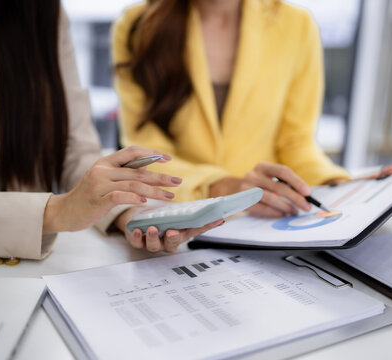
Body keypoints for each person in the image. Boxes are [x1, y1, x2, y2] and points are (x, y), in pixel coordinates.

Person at [0, 0, 221, 260]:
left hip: (19, 271)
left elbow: (76, 152)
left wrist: (130, 211)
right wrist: (54, 212)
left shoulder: (41, 14)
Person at [113, 0, 353, 223]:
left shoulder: (297, 25)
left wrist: (338, 184)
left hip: (265, 219)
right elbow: (146, 154)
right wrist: (220, 185)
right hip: (183, 217)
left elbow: (295, 143)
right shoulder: (138, 25)